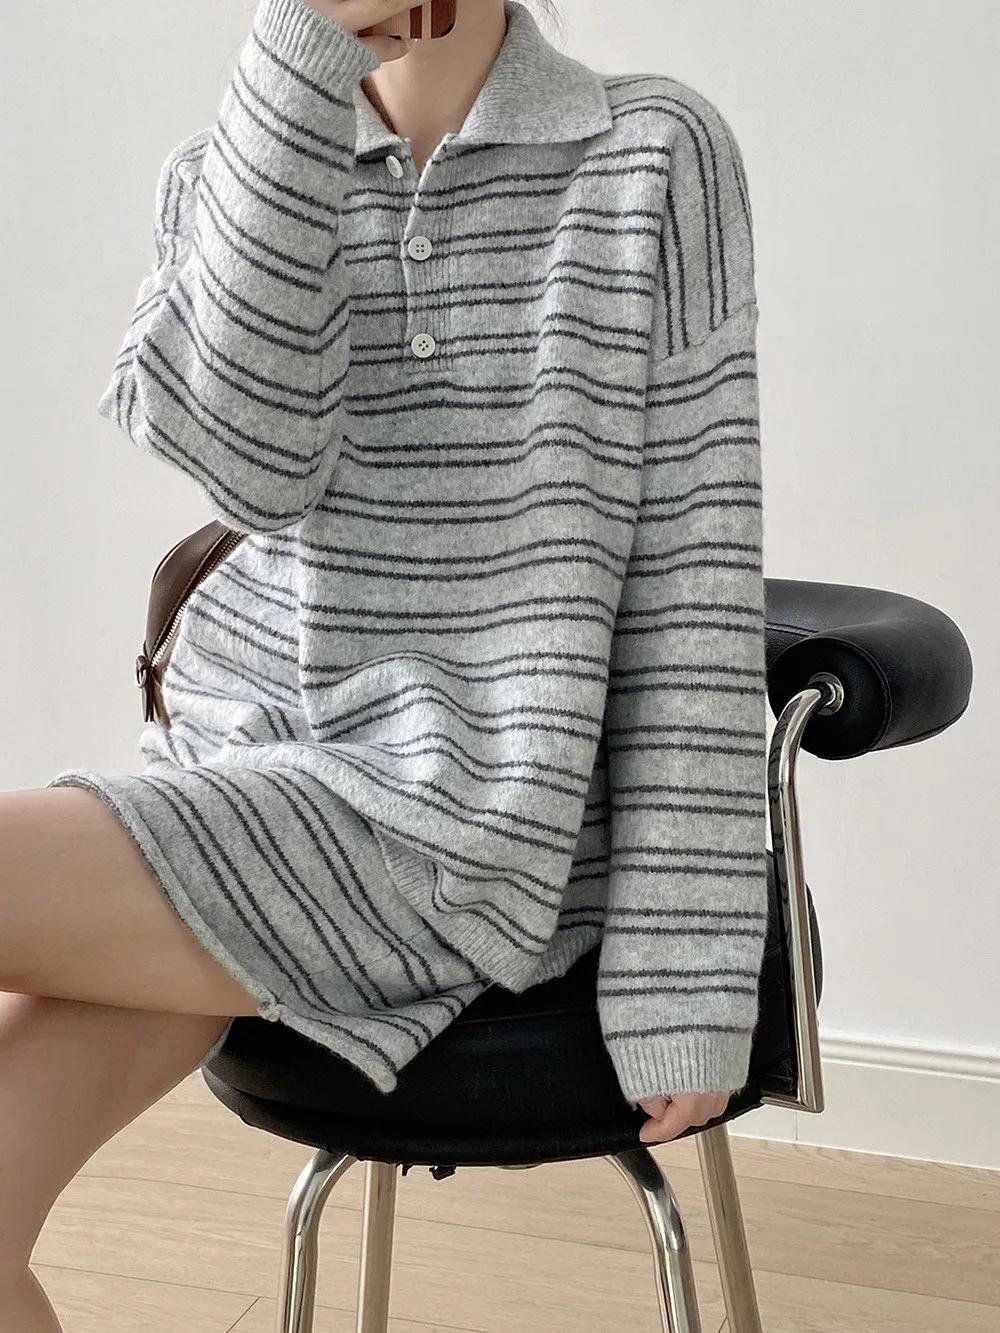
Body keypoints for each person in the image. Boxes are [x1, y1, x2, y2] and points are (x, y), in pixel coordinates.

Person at [3, 2, 767, 1325]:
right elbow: (255, 469)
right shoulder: (236, 164)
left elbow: (695, 570)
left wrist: (683, 975)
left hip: (462, 831)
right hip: (236, 787)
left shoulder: (650, 152)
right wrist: (298, 62)